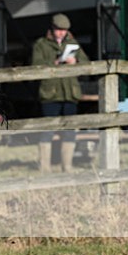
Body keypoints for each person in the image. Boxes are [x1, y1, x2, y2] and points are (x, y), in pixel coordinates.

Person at [31, 13, 90, 172]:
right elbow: (35, 65)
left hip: (70, 94)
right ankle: (44, 167)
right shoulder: (41, 44)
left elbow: (87, 64)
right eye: (59, 30)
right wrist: (55, 63)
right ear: (52, 28)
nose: (62, 33)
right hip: (50, 94)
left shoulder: (73, 43)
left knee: (70, 131)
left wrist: (75, 63)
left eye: (64, 30)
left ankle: (67, 166)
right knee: (48, 130)